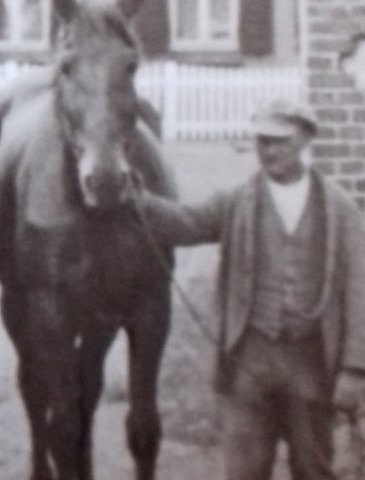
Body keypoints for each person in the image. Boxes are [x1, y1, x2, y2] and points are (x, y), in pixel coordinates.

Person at [138, 99, 365, 480]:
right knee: (244, 471)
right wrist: (138, 199)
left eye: (279, 141)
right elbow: (185, 223)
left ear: (305, 140)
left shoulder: (340, 209)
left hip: (311, 363)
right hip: (248, 363)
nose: (268, 150)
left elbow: (361, 289)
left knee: (314, 467)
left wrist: (355, 369)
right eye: (262, 141)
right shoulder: (238, 200)